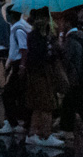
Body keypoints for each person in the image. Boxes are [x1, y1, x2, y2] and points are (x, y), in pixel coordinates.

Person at [22, 10, 64, 148]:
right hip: (40, 74)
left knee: (38, 106)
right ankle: (46, 135)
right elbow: (37, 56)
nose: (41, 21)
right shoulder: (35, 36)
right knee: (47, 105)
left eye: (44, 18)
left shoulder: (46, 36)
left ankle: (33, 134)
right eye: (39, 18)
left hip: (42, 74)